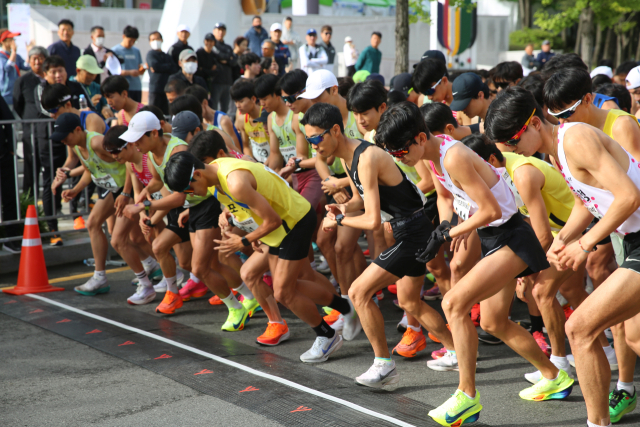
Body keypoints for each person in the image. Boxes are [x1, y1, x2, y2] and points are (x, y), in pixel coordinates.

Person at [383, 101, 573, 426]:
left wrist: (450, 233)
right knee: (493, 322)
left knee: (453, 303)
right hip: (493, 237)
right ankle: (554, 375)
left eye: (400, 153)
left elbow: (491, 211)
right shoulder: (433, 156)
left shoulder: (453, 155)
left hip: (510, 236)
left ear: (418, 138)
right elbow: (445, 198)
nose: (401, 161)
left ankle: (467, 396)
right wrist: (444, 226)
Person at [485, 85, 640, 427]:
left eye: (512, 142)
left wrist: (584, 245)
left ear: (535, 124)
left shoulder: (574, 139)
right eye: (506, 146)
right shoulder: (555, 151)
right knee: (632, 336)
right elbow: (589, 202)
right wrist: (564, 238)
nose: (511, 151)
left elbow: (629, 197)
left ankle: (596, 423)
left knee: (580, 328)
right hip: (632, 241)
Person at [164, 149, 357, 363]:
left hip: (293, 222)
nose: (189, 195)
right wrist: (239, 220)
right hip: (280, 225)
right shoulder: (216, 171)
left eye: (187, 189)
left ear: (197, 174)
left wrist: (244, 240)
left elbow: (271, 219)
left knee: (283, 292)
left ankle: (327, 335)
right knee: (291, 284)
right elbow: (249, 199)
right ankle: (347, 308)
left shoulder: (233, 180)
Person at [121, 111, 251, 322]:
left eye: (137, 138)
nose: (134, 144)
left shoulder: (178, 150)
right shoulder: (151, 153)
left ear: (154, 133)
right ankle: (248, 296)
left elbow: (181, 196)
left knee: (202, 266)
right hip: (190, 208)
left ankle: (237, 307)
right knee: (204, 264)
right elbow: (157, 180)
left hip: (205, 203)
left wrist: (144, 205)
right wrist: (144, 194)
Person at [13, 46, 47, 198]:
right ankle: (29, 201)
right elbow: (17, 104)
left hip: (48, 130)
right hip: (31, 130)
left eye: (40, 57)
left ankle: (52, 204)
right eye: (34, 58)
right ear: (29, 61)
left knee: (50, 166)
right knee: (30, 166)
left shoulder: (50, 79)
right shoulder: (22, 80)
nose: (37, 61)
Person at [185, 84, 242, 150]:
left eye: (194, 108)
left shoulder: (223, 121)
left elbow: (237, 150)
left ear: (205, 103)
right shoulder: (201, 122)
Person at [231, 79, 272, 164]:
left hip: (273, 161)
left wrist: (267, 165)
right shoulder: (241, 120)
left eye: (241, 101)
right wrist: (252, 163)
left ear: (253, 99)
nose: (238, 106)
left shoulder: (267, 116)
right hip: (257, 162)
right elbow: (245, 146)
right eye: (236, 102)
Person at [0, 92, 21, 253]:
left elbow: (9, 121)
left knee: (9, 198)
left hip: (3, 156)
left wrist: (11, 149)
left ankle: (11, 238)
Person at [147, 31, 179, 115]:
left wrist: (161, 67)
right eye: (152, 39)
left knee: (166, 114)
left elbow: (174, 68)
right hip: (155, 89)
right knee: (153, 112)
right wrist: (167, 66)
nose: (155, 41)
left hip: (166, 89)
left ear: (161, 40)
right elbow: (155, 66)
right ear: (150, 42)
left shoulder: (166, 56)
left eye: (157, 38)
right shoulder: (151, 54)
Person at [111, 26, 144, 103]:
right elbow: (113, 71)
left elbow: (139, 66)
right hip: (122, 87)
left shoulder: (136, 51)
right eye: (130, 40)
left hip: (136, 86)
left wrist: (142, 69)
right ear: (123, 36)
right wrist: (130, 72)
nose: (131, 43)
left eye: (134, 41)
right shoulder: (115, 51)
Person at [0, 29, 30, 106]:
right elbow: (7, 68)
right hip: (5, 95)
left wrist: (29, 52)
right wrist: (13, 51)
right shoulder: (1, 56)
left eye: (13, 39)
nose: (13, 42)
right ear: (3, 41)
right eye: (10, 40)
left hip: (16, 94)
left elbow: (26, 67)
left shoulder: (16, 56)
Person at [211, 23, 235, 112]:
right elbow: (221, 56)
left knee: (225, 109)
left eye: (222, 30)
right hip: (216, 81)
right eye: (218, 30)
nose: (220, 32)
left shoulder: (228, 47)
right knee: (214, 107)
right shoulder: (213, 46)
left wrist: (227, 59)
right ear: (214, 31)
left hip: (227, 81)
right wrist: (228, 58)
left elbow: (234, 61)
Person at [196, 33, 219, 103]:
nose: (209, 43)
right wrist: (208, 71)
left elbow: (216, 71)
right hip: (199, 81)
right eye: (207, 41)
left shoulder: (214, 55)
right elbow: (198, 70)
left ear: (214, 43)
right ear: (204, 41)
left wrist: (203, 69)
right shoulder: (199, 53)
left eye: (211, 41)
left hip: (209, 83)